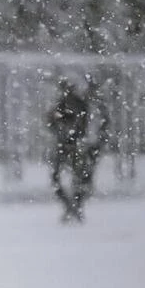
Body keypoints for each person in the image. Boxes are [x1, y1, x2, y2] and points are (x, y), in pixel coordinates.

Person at [47, 77, 102, 223]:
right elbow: (53, 122)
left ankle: (74, 207)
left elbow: (57, 122)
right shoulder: (66, 105)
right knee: (69, 179)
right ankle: (73, 207)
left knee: (77, 178)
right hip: (70, 146)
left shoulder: (77, 105)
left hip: (74, 146)